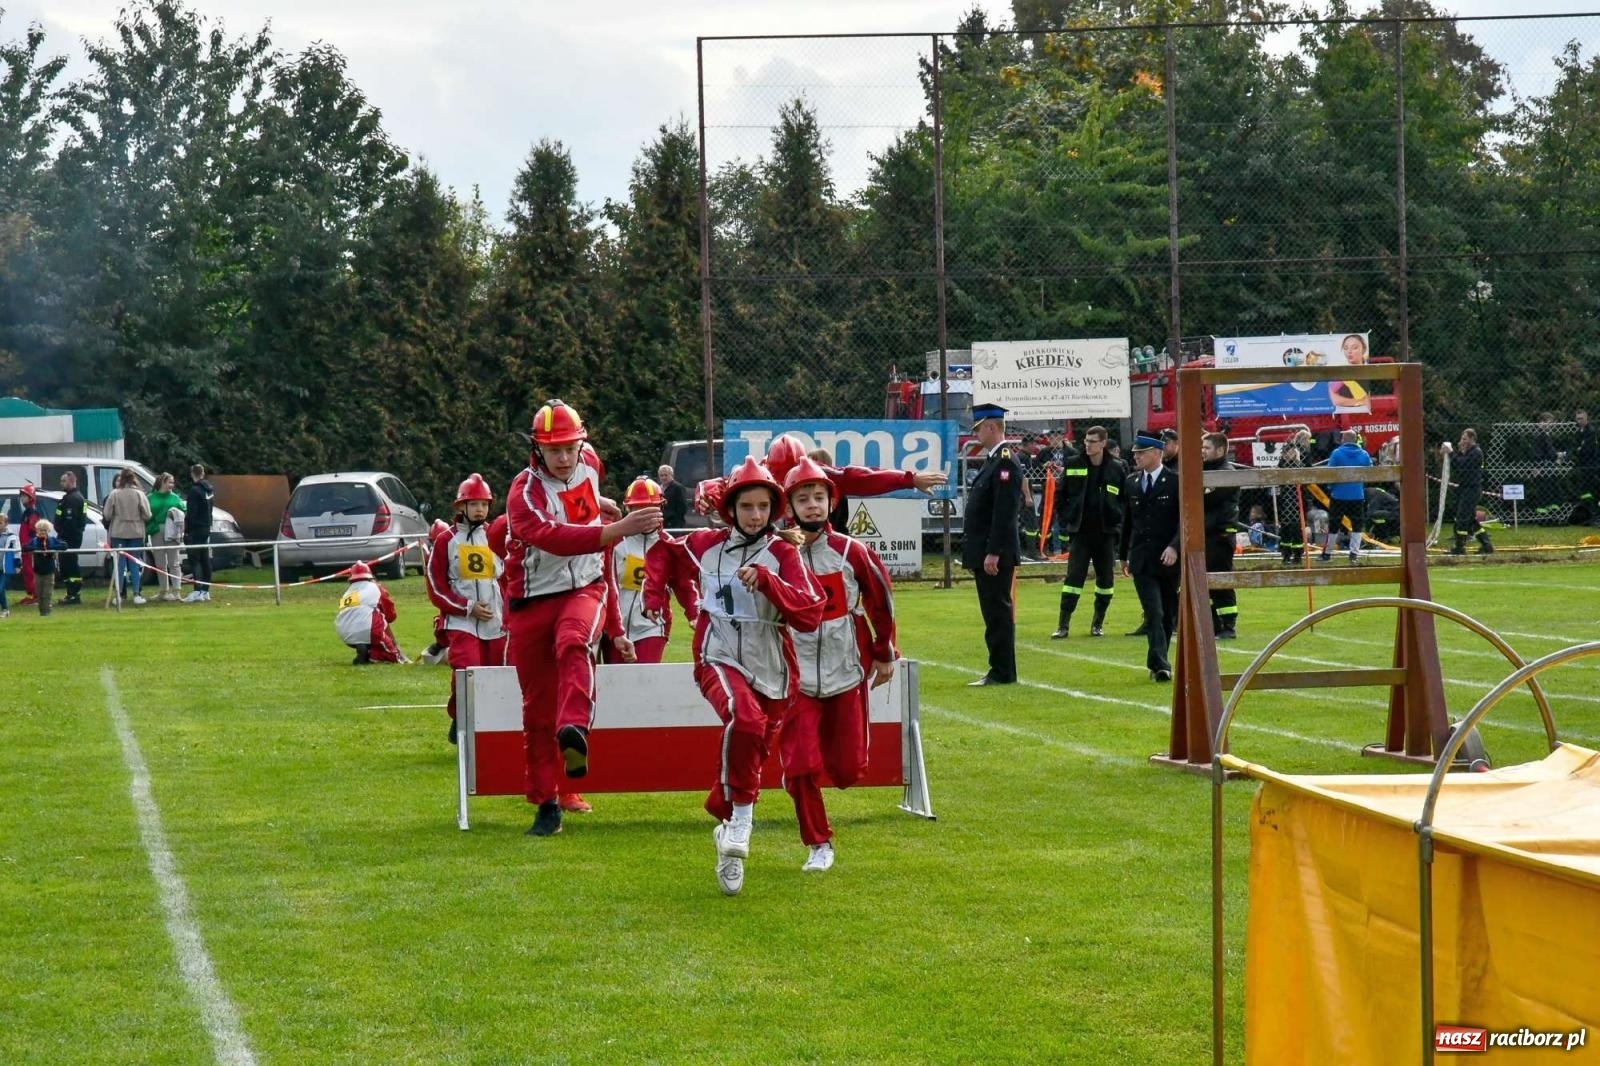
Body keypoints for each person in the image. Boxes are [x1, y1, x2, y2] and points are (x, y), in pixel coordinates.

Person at [642, 457, 824, 895]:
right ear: (731, 510)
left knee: (753, 749)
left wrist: (767, 582)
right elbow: (663, 551)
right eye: (747, 507)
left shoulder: (783, 553)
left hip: (774, 669)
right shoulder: (704, 544)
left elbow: (811, 611)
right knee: (745, 720)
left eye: (764, 507)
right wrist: (653, 593)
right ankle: (742, 820)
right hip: (717, 655)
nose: (756, 515)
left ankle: (726, 830)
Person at [505, 399, 660, 838]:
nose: (563, 457)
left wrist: (602, 505)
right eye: (554, 449)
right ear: (536, 450)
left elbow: (584, 496)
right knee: (536, 711)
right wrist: (616, 528)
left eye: (570, 447)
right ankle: (546, 802)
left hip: (584, 586)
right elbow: (551, 536)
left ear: (581, 445)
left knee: (574, 642)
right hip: (531, 601)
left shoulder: (591, 462)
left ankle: (575, 726)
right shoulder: (523, 493)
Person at [777, 458, 897, 874]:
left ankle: (802, 774)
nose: (812, 506)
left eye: (819, 497)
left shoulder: (853, 551)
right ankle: (818, 842)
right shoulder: (776, 553)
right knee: (802, 764)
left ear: (832, 502)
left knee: (848, 770)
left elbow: (881, 602)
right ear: (789, 505)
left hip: (847, 669)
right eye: (803, 499)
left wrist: (884, 651)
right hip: (794, 674)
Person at [426, 474, 509, 744]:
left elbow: (507, 578)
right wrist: (467, 608)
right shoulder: (446, 540)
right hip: (461, 623)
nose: (480, 510)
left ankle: (492, 731)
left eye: (484, 504)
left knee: (496, 675)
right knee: (466, 672)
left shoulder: (495, 537)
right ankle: (459, 719)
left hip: (494, 623)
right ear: (460, 507)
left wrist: (507, 614)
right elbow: (436, 587)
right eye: (473, 504)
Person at [961, 403, 1023, 686]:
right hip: (986, 550)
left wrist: (993, 552)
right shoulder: (994, 461)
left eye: (978, 428)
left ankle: (1002, 671)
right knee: (993, 613)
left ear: (991, 426)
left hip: (995, 553)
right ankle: (999, 669)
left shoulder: (1005, 461)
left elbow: (1004, 512)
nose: (976, 435)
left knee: (997, 613)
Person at [609, 475, 698, 665]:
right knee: (614, 686)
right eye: (638, 510)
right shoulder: (614, 541)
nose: (645, 516)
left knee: (644, 682)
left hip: (652, 627)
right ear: (628, 509)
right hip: (614, 628)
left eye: (651, 509)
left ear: (661, 508)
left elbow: (683, 583)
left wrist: (693, 613)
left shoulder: (669, 545)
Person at [1050, 424, 1126, 640]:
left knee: (1106, 580)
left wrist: (1117, 519)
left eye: (1093, 441)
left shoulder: (1117, 468)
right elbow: (1060, 495)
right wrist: (1067, 518)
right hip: (1081, 532)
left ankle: (1098, 623)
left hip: (1106, 533)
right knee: (1074, 578)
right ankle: (1063, 625)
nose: (1088, 445)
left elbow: (1124, 500)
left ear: (1103, 443)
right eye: (1086, 441)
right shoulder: (1074, 463)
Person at [1122, 432, 1180, 682]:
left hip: (1168, 559)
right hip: (1142, 558)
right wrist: (1123, 555)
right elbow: (1127, 521)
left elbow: (1183, 520)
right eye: (1135, 453)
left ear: (1157, 453)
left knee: (1167, 612)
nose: (1136, 456)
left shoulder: (1175, 481)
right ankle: (1160, 663)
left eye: (1141, 453)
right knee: (1153, 611)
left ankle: (1158, 659)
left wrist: (1175, 547)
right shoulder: (1132, 482)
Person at [1200, 432, 1240, 639]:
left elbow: (1206, 499)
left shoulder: (1226, 473)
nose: (1202, 451)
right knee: (1208, 581)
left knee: (1221, 579)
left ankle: (1228, 626)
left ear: (1220, 450)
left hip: (1221, 534)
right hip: (1206, 533)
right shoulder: (1205, 470)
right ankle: (1215, 624)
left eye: (1207, 448)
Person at [337, 560, 406, 664]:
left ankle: (365, 650)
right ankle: (372, 655)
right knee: (394, 656)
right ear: (370, 576)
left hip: (345, 634)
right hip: (369, 631)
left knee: (370, 616)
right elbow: (390, 615)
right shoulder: (375, 588)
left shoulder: (347, 593)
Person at [1318, 430, 1372, 562]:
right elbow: (1371, 471)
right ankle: (1354, 554)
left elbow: (1331, 474)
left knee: (1334, 525)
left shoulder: (1337, 454)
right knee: (1357, 525)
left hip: (1339, 495)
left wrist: (1331, 488)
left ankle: (1327, 554)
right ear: (1355, 440)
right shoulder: (1364, 454)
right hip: (1357, 495)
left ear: (1343, 440)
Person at [102, 469, 152, 606]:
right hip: (136, 531)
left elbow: (106, 514)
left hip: (118, 532)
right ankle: (136, 594)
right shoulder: (139, 494)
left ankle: (119, 595)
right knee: (134, 563)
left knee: (119, 565)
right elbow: (148, 514)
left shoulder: (114, 494)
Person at [1443, 428, 1492, 554]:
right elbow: (1456, 465)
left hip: (1472, 489)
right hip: (1465, 488)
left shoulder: (1476, 452)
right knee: (1470, 518)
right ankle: (1486, 545)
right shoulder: (1467, 452)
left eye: (1464, 439)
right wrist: (1456, 452)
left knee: (1462, 517)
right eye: (1461, 439)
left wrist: (1452, 453)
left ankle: (1459, 546)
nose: (1462, 441)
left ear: (1471, 439)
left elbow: (1462, 465)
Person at [146, 472, 186, 602]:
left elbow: (183, 511)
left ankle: (177, 591)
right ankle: (163, 590)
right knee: (159, 561)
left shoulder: (175, 498)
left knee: (174, 561)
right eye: (169, 482)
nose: (172, 485)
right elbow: (146, 513)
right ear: (162, 482)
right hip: (156, 530)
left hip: (172, 531)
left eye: (173, 482)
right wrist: (151, 526)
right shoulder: (151, 497)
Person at [1275, 431, 1312, 565]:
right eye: (1285, 453)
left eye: (1289, 452)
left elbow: (1306, 483)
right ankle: (1285, 554)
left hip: (1297, 502)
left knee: (1296, 529)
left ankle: (1297, 555)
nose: (1286, 455)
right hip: (1285, 503)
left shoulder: (1299, 466)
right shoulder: (1281, 467)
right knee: (1285, 529)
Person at [183, 465, 216, 602]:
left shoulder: (194, 491)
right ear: (202, 473)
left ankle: (197, 590)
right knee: (204, 558)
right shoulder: (209, 490)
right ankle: (205, 590)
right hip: (206, 527)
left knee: (194, 559)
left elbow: (191, 513)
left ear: (192, 474)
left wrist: (187, 531)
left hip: (196, 529)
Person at [55, 472, 88, 605]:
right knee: (68, 564)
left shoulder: (72, 499)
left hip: (68, 538)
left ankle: (73, 593)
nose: (61, 483)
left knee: (69, 566)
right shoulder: (73, 497)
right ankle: (71, 593)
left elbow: (71, 522)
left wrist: (62, 532)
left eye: (64, 481)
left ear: (72, 482)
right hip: (70, 537)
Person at [23, 518, 63, 615]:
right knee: (39, 594)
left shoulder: (52, 540)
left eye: (44, 530)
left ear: (48, 531)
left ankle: (47, 612)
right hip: (38, 572)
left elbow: (64, 546)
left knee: (47, 593)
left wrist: (50, 548)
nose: (42, 532)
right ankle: (42, 612)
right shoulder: (34, 541)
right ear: (36, 530)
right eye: (40, 530)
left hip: (49, 572)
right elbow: (25, 547)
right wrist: (38, 549)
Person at [1328, 334, 1371, 413]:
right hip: (1342, 412)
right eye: (1345, 348)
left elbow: (1368, 401)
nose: (1349, 352)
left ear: (1364, 349)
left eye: (1354, 347)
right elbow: (1335, 400)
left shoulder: (1370, 369)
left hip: (1365, 412)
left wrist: (1363, 400)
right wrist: (1361, 401)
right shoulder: (1340, 371)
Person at [15, 482, 40, 607]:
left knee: (31, 571)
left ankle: (35, 596)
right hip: (25, 548)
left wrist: (30, 545)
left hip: (30, 548)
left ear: (31, 497)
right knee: (27, 572)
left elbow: (33, 531)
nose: (22, 498)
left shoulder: (32, 512)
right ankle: (30, 594)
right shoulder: (27, 512)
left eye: (24, 496)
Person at [659, 464, 690, 530]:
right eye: (661, 475)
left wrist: (674, 519)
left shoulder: (678, 488)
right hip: (662, 523)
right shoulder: (658, 488)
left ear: (671, 475)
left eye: (666, 475)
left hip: (674, 525)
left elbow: (683, 507)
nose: (664, 477)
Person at [0, 511, 14, 617]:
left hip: (7, 567)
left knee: (0, 588)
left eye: (0, 523)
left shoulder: (11, 536)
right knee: (1, 590)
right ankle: (5, 609)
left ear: (6, 524)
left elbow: (16, 552)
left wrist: (17, 564)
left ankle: (5, 609)